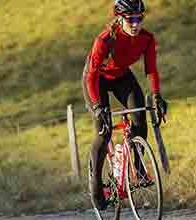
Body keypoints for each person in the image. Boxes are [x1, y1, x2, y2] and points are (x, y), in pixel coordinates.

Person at [82, 0, 167, 210]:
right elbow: (91, 76)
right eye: (131, 19)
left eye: (139, 18)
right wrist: (97, 107)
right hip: (96, 80)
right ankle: (95, 185)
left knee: (139, 119)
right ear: (120, 18)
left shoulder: (146, 39)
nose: (136, 24)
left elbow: (151, 70)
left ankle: (137, 168)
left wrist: (156, 95)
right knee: (104, 132)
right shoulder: (105, 40)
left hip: (122, 77)